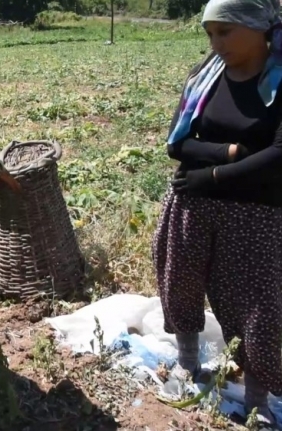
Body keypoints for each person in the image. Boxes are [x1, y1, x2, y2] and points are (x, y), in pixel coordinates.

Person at [152, 0, 282, 428]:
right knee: (181, 284)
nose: (215, 43)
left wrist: (213, 175)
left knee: (260, 309)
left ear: (256, 27)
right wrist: (231, 155)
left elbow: (279, 156)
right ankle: (189, 367)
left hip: (258, 215)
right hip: (194, 204)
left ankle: (259, 401)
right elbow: (177, 144)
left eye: (224, 32)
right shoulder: (203, 77)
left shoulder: (278, 81)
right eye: (210, 34)